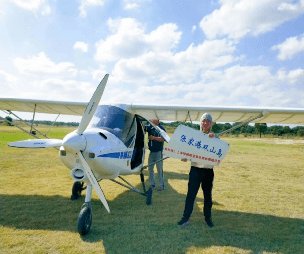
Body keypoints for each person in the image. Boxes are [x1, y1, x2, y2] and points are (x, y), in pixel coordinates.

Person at [178, 113, 219, 228]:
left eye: (208, 121)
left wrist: (214, 138)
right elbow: (187, 150)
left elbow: (219, 149)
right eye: (203, 121)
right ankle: (186, 218)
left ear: (211, 123)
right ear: (200, 123)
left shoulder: (216, 137)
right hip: (195, 169)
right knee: (191, 195)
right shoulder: (195, 137)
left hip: (208, 171)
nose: (205, 123)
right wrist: (184, 156)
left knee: (207, 196)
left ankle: (207, 218)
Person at [146, 119, 166, 191]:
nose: (152, 120)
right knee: (150, 169)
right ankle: (152, 184)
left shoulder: (161, 129)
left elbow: (163, 139)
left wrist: (153, 138)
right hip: (151, 152)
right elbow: (144, 127)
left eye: (153, 119)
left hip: (158, 152)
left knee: (159, 170)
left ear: (157, 121)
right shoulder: (150, 127)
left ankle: (161, 186)